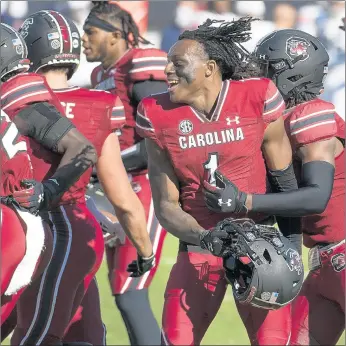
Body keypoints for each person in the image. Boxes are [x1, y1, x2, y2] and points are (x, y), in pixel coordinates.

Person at [136, 17, 299, 346]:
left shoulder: (257, 96)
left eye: (177, 63)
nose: (167, 70)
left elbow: (286, 183)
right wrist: (206, 236)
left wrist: (292, 249)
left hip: (262, 249)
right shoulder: (156, 112)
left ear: (209, 68)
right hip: (199, 247)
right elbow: (166, 204)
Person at [18, 10, 156, 345]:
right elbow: (123, 198)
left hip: (20, 228)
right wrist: (145, 250)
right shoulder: (98, 104)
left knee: (34, 329)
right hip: (72, 229)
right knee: (72, 332)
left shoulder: (16, 101)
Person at [204, 29, 345, 345]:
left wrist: (246, 201)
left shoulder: (311, 115)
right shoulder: (279, 122)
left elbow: (317, 197)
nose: (255, 75)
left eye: (265, 68)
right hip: (324, 263)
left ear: (291, 73)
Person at [0, 22, 96, 344]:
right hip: (29, 227)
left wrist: (49, 190)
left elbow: (83, 148)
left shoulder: (19, 101)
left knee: (44, 333)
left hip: (31, 223)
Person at [82, 1, 168, 343]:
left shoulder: (141, 62)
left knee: (130, 291)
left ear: (117, 35)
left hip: (142, 186)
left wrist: (98, 170)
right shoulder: (99, 75)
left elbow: (157, 142)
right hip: (112, 188)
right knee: (117, 290)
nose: (83, 39)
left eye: (91, 32)